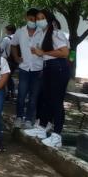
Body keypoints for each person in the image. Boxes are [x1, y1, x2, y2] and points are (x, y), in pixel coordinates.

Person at [25, 9, 70, 148]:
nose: (39, 21)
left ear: (49, 19)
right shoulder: (43, 34)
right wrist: (40, 53)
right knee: (46, 99)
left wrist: (43, 52)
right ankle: (42, 128)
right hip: (48, 67)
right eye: (37, 18)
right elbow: (45, 53)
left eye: (42, 18)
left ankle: (57, 136)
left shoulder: (56, 33)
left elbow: (64, 52)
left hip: (58, 67)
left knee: (56, 101)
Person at [12, 8, 44, 129]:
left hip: (38, 69)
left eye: (35, 20)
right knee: (21, 95)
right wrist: (16, 57)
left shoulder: (42, 32)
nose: (33, 22)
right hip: (24, 68)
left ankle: (29, 119)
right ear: (26, 18)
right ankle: (19, 117)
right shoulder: (20, 31)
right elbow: (13, 45)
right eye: (30, 19)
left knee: (33, 97)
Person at [1, 24, 17, 100]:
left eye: (6, 30)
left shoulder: (6, 39)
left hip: (7, 61)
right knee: (9, 76)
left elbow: (0, 49)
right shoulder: (18, 38)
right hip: (15, 61)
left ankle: (7, 93)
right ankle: (12, 92)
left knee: (5, 77)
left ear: (9, 31)